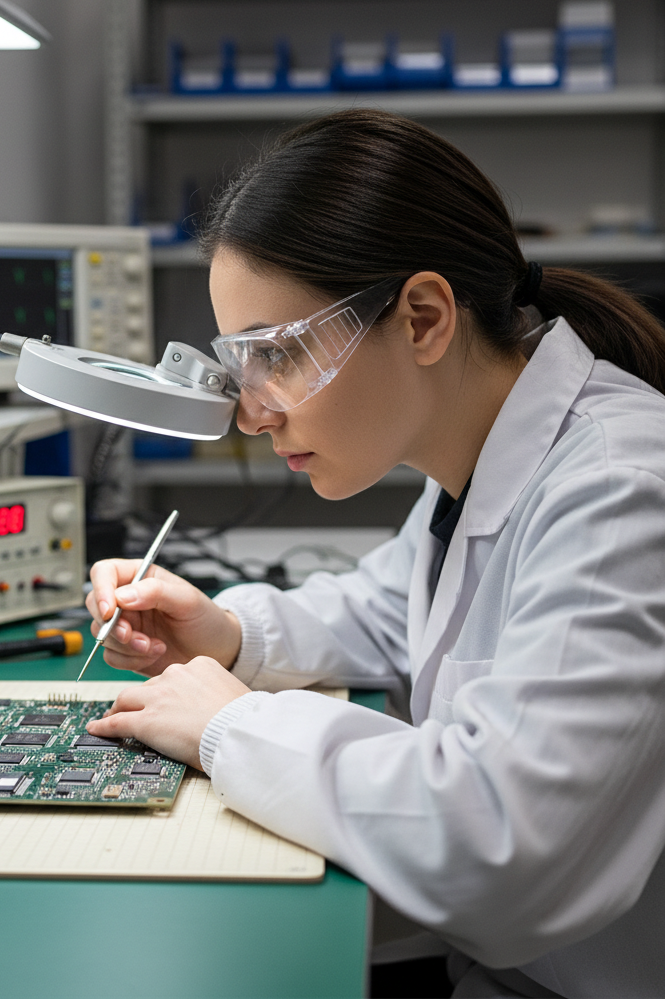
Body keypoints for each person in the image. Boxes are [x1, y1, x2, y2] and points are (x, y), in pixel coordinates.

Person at [83, 110, 665, 998]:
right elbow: (391, 610)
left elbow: (498, 842)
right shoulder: (478, 459)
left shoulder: (622, 492)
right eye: (242, 363)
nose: (252, 410)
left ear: (424, 318)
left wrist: (227, 725)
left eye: (280, 353)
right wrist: (226, 632)